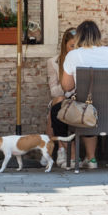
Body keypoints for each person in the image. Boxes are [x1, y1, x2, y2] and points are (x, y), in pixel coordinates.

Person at [58, 20, 108, 169]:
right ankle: (91, 159)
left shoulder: (74, 55)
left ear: (79, 36)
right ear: (98, 35)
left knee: (57, 112)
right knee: (89, 107)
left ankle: (73, 156)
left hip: (85, 111)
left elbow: (67, 87)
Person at [46, 27, 76, 167]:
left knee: (57, 106)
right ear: (65, 45)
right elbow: (53, 90)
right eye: (72, 46)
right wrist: (67, 84)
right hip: (61, 98)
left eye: (78, 46)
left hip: (77, 100)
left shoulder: (81, 59)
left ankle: (60, 150)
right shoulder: (53, 62)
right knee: (58, 101)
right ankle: (62, 149)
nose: (75, 49)